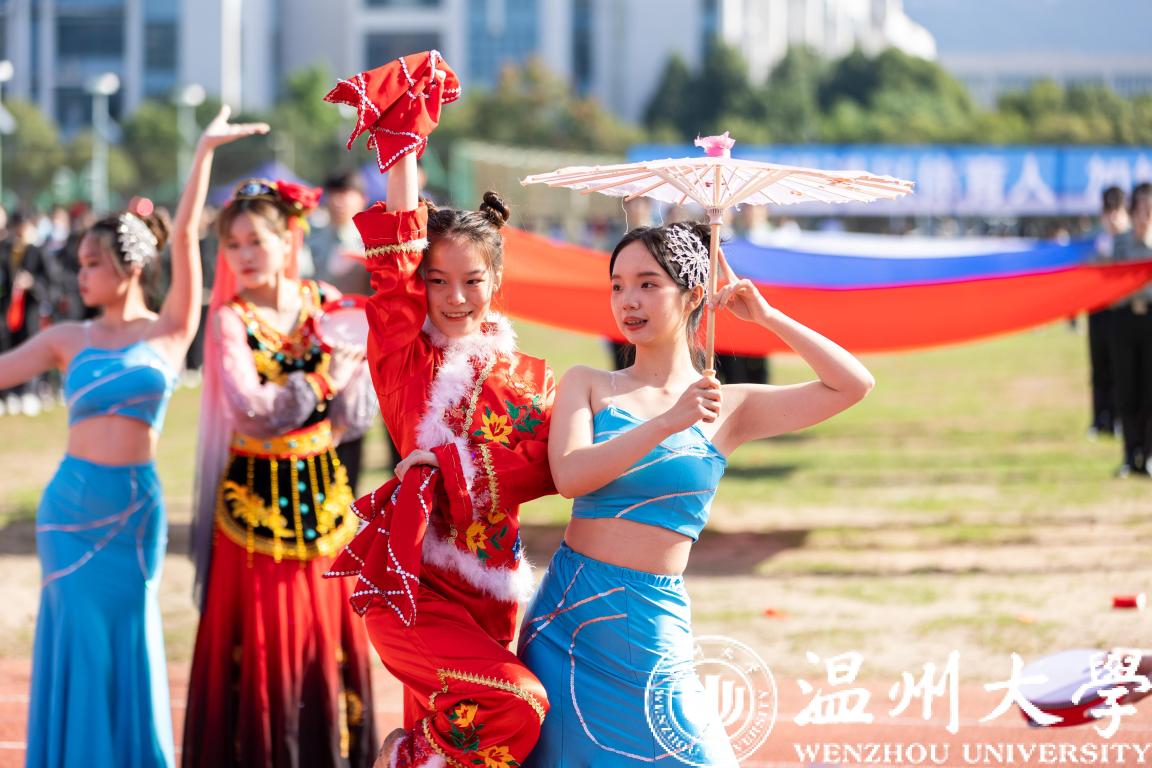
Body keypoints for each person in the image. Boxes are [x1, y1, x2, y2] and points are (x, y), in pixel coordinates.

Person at [519, 222, 875, 766]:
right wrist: (667, 421)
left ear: (692, 297)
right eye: (617, 285)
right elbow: (570, 476)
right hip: (568, 620)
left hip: (654, 615)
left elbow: (853, 384)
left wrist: (767, 317)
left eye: (648, 284)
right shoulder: (589, 383)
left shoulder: (728, 406)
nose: (628, 300)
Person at [0, 106, 260, 768]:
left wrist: (202, 152)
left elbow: (185, 238)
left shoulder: (169, 331)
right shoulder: (67, 338)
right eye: (80, 263)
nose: (81, 275)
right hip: (69, 512)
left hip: (135, 514)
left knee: (129, 635)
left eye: (92, 263)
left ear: (130, 266)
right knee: (81, 639)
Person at [322, 51, 554, 768]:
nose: (454, 297)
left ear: (497, 280)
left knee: (472, 742)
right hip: (416, 585)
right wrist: (404, 146)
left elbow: (554, 466)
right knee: (516, 704)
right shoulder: (404, 355)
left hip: (493, 587)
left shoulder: (531, 379)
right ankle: (403, 755)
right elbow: (395, 257)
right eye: (438, 281)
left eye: (472, 281)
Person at [182, 164, 380, 766]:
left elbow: (356, 411)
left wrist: (346, 381)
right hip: (254, 502)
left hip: (322, 495)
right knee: (265, 635)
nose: (243, 255)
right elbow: (250, 411)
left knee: (324, 631)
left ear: (289, 237)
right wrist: (322, 380)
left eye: (256, 241)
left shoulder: (327, 303)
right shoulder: (229, 319)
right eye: (232, 244)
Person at [1109, 182, 1152, 478]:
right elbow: (1110, 282)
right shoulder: (1121, 244)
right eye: (1140, 210)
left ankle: (1148, 455)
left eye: (1149, 210)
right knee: (1126, 390)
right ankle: (1129, 454)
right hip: (1124, 321)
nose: (1144, 216)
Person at [1086, 186, 1128, 439]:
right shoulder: (1095, 240)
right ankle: (1099, 418)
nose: (1111, 217)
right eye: (1107, 211)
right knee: (1098, 365)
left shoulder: (1132, 240)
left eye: (1116, 211)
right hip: (1098, 309)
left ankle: (1119, 418)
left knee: (1120, 367)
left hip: (1121, 311)